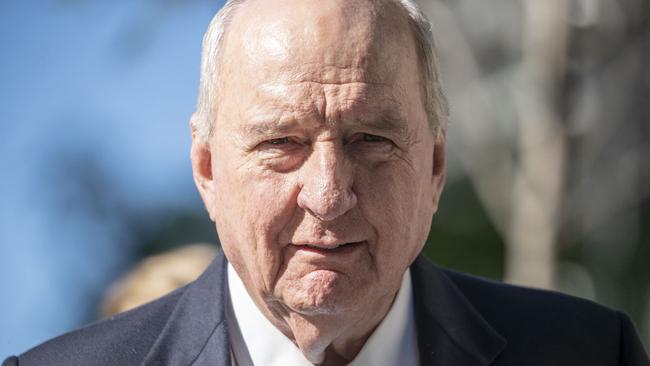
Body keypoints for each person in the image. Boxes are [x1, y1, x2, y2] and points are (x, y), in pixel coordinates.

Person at [3, 0, 649, 365]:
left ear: (434, 168)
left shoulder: (590, 356)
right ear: (206, 169)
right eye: (281, 143)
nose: (329, 193)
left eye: (371, 140)